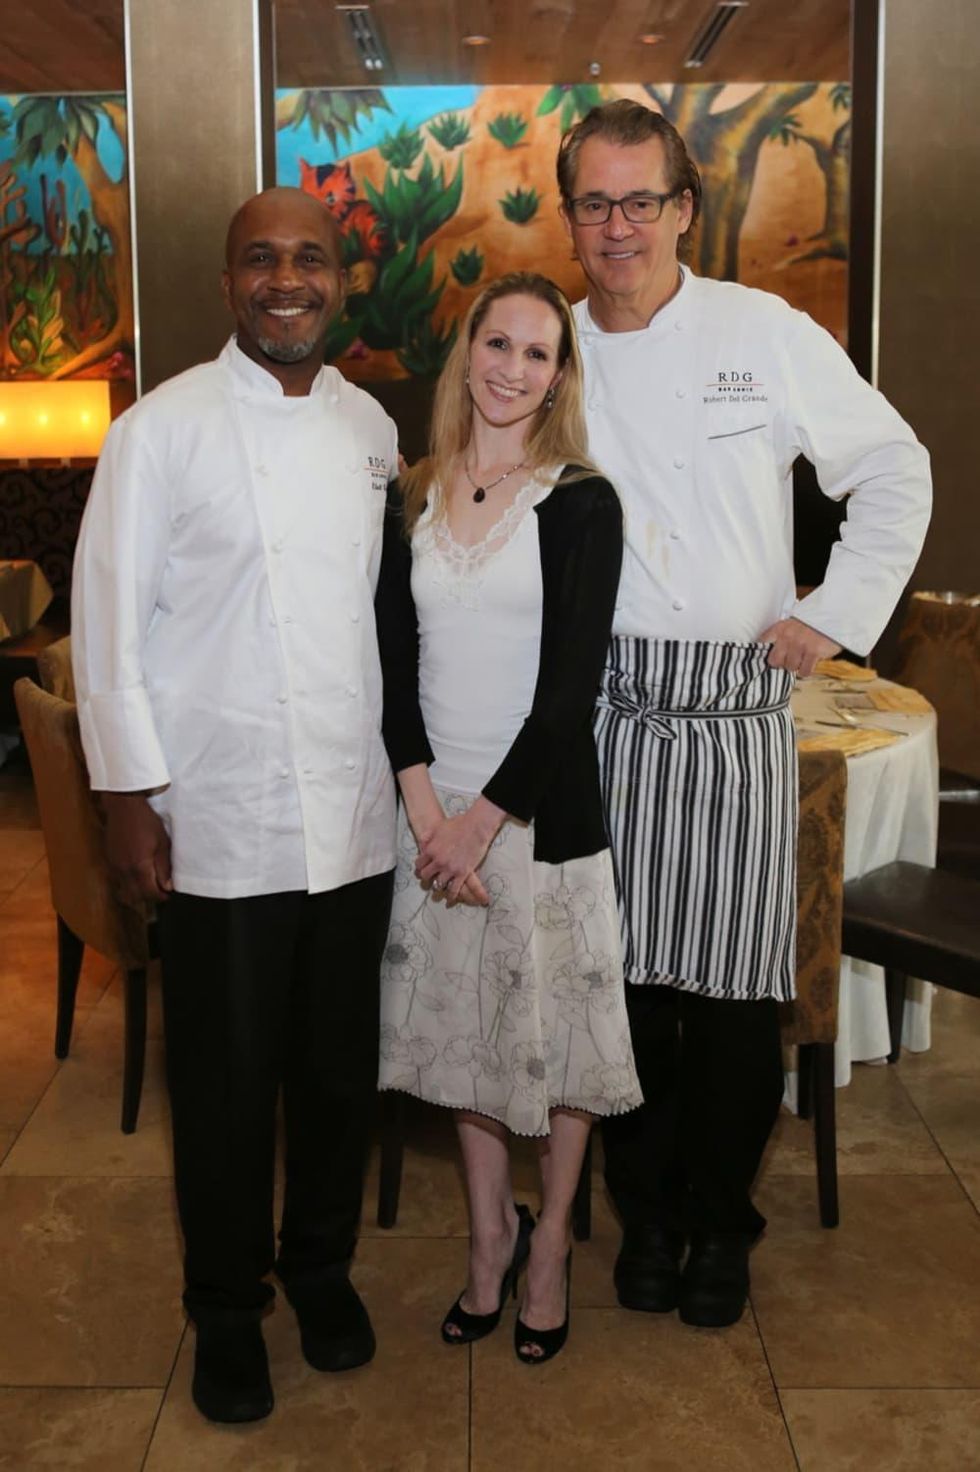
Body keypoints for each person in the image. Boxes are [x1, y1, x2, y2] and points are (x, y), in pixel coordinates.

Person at [555, 100, 932, 1327]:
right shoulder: (545, 349)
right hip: (604, 706)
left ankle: (720, 1222)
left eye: (641, 201)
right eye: (594, 203)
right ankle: (644, 1216)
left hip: (728, 706)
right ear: (570, 217)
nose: (619, 228)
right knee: (618, 993)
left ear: (683, 209)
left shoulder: (761, 331)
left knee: (726, 999)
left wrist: (830, 613)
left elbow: (892, 467)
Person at [71, 188, 399, 1423]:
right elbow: (106, 624)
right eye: (260, 258)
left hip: (352, 814)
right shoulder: (161, 432)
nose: (285, 278)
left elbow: (382, 623)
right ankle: (225, 1307)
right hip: (213, 815)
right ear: (227, 281)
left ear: (338, 281)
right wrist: (125, 798)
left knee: (335, 1076)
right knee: (220, 1088)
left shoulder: (371, 430)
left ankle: (318, 1269)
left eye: (308, 258)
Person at [375, 272, 642, 1365]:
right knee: (462, 1049)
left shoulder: (581, 500)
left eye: (537, 353)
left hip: (536, 820)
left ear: (559, 374)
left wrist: (475, 826)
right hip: (429, 816)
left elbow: (568, 690)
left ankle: (549, 1252)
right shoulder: (410, 492)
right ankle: (488, 1238)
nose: (511, 368)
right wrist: (424, 812)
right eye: (497, 343)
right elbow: (391, 672)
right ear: (467, 351)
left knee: (553, 1052)